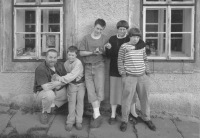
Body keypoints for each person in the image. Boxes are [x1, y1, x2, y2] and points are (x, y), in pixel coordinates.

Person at [118, 27, 156, 132]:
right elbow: (120, 61)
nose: (136, 39)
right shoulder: (124, 47)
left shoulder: (142, 46)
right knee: (126, 100)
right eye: (134, 36)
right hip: (129, 77)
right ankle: (124, 120)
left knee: (145, 99)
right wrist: (123, 74)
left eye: (138, 37)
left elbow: (145, 59)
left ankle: (146, 118)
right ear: (129, 36)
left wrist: (147, 72)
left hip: (142, 77)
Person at [104, 20, 141, 125]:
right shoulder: (112, 38)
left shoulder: (129, 38)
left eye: (124, 29)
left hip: (128, 69)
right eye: (120, 29)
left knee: (130, 92)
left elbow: (138, 47)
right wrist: (108, 49)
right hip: (114, 68)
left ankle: (131, 113)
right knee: (114, 91)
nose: (122, 31)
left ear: (127, 30)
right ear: (117, 29)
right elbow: (108, 56)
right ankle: (113, 114)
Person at [79, 18, 108, 128]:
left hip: (100, 66)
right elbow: (81, 53)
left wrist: (106, 49)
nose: (99, 31)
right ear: (94, 26)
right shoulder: (86, 38)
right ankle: (97, 115)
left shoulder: (105, 39)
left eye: (101, 29)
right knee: (90, 90)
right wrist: (93, 52)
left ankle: (96, 114)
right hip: (88, 66)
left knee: (99, 90)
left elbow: (107, 53)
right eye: (97, 28)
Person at [52, 46, 85, 131]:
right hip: (71, 85)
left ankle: (79, 121)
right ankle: (70, 121)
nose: (70, 57)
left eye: (73, 55)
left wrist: (60, 78)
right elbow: (65, 74)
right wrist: (57, 76)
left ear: (76, 55)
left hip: (80, 85)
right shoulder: (66, 63)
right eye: (69, 55)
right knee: (71, 102)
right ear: (67, 54)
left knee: (80, 102)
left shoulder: (78, 63)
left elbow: (71, 76)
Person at [33, 49, 68, 125]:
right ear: (45, 58)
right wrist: (59, 83)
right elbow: (46, 87)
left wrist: (58, 83)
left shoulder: (60, 65)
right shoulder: (41, 69)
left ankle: (52, 107)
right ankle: (45, 112)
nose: (53, 60)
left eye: (55, 57)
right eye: (50, 57)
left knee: (70, 92)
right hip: (42, 93)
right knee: (49, 95)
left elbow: (67, 79)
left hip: (56, 89)